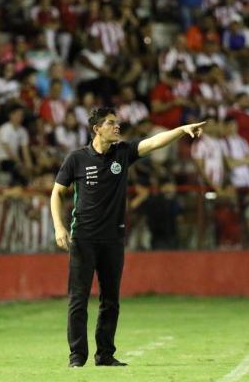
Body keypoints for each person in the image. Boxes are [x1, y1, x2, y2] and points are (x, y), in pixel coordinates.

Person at [50, 107, 205, 367]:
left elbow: (154, 143)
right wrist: (59, 226)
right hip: (84, 238)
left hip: (113, 239)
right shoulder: (76, 159)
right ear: (97, 129)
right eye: (111, 123)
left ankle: (105, 355)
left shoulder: (123, 153)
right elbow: (57, 193)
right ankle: (77, 357)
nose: (117, 127)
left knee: (110, 300)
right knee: (78, 300)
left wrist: (181, 130)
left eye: (117, 123)